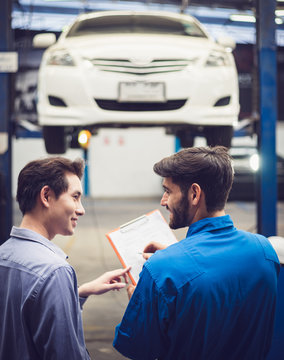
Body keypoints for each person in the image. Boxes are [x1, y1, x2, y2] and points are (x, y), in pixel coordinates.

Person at [113, 146, 280, 360]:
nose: (163, 201)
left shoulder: (162, 270)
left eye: (168, 191)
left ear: (194, 194)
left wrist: (141, 299)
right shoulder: (265, 252)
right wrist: (176, 260)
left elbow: (138, 349)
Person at [0, 156, 130, 359]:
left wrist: (76, 293)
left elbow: (20, 316)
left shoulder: (4, 255)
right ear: (46, 196)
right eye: (75, 197)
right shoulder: (54, 271)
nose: (81, 209)